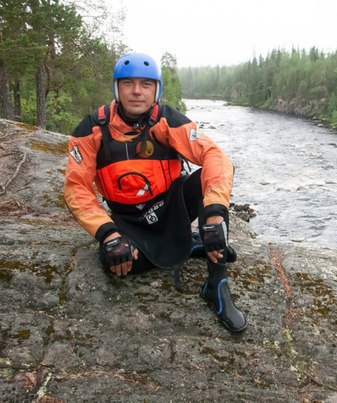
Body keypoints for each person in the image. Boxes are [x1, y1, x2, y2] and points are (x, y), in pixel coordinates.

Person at [64, 52, 247, 333]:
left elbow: (214, 156)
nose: (137, 91)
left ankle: (216, 284)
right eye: (128, 84)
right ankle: (191, 245)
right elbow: (77, 188)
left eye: (146, 84)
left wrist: (214, 213)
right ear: (117, 88)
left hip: (173, 207)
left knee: (212, 185)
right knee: (117, 264)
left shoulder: (167, 120)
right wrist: (108, 234)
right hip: (129, 221)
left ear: (156, 90)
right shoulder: (91, 129)